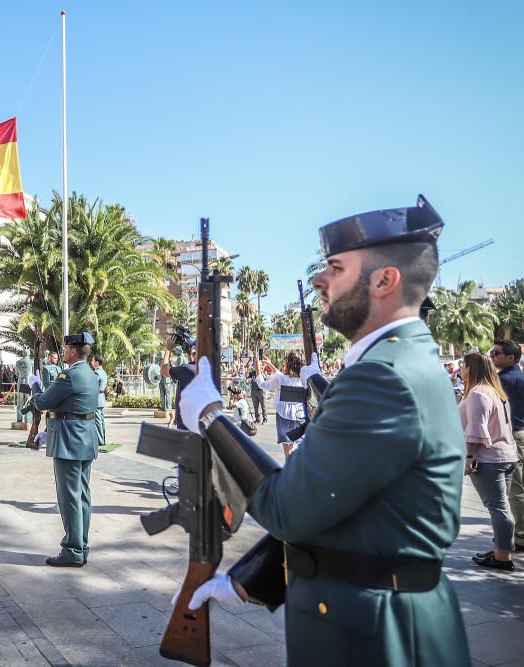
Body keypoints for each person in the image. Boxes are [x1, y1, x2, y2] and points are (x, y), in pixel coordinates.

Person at [179, 195, 470, 664]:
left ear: (385, 280)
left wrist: (211, 416)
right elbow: (341, 499)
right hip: (367, 619)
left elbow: (289, 506)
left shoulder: (383, 375)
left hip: (374, 636)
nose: (319, 279)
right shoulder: (394, 362)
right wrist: (249, 579)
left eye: (335, 268)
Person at [31, 333, 99, 567]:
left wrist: (35, 386)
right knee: (82, 495)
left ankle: (72, 550)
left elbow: (42, 402)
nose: (63, 351)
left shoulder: (68, 376)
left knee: (69, 496)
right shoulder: (90, 374)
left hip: (69, 441)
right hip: (85, 439)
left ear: (72, 351)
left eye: (65, 348)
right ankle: (81, 545)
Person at [459, 352, 518, 570]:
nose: (462, 369)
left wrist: (469, 456)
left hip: (489, 458)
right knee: (502, 507)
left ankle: (503, 557)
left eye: (464, 365)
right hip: (506, 454)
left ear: (469, 367)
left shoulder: (477, 393)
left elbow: (476, 428)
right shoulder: (495, 392)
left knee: (498, 508)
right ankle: (502, 550)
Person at [490, 340, 524, 552]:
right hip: (520, 433)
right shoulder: (520, 376)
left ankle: (520, 537)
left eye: (496, 353)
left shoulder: (503, 380)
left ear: (510, 358)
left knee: (516, 489)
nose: (493, 356)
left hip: (513, 436)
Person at [254, 351, 305, 458]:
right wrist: (270, 364)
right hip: (299, 416)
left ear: (288, 363)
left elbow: (264, 385)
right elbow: (281, 376)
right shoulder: (303, 380)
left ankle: (290, 471)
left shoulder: (281, 379)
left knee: (288, 451)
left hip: (283, 416)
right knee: (299, 448)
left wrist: (258, 370)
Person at [161, 333, 196, 430]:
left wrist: (168, 349)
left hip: (186, 427)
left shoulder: (188, 370)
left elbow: (164, 371)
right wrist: (189, 353)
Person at [90, 354, 109, 446]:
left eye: (93, 361)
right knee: (101, 420)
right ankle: (103, 439)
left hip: (96, 397)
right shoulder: (103, 372)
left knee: (97, 420)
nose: (91, 362)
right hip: (101, 398)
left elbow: (92, 385)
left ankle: (100, 440)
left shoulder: (96, 373)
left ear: (97, 362)